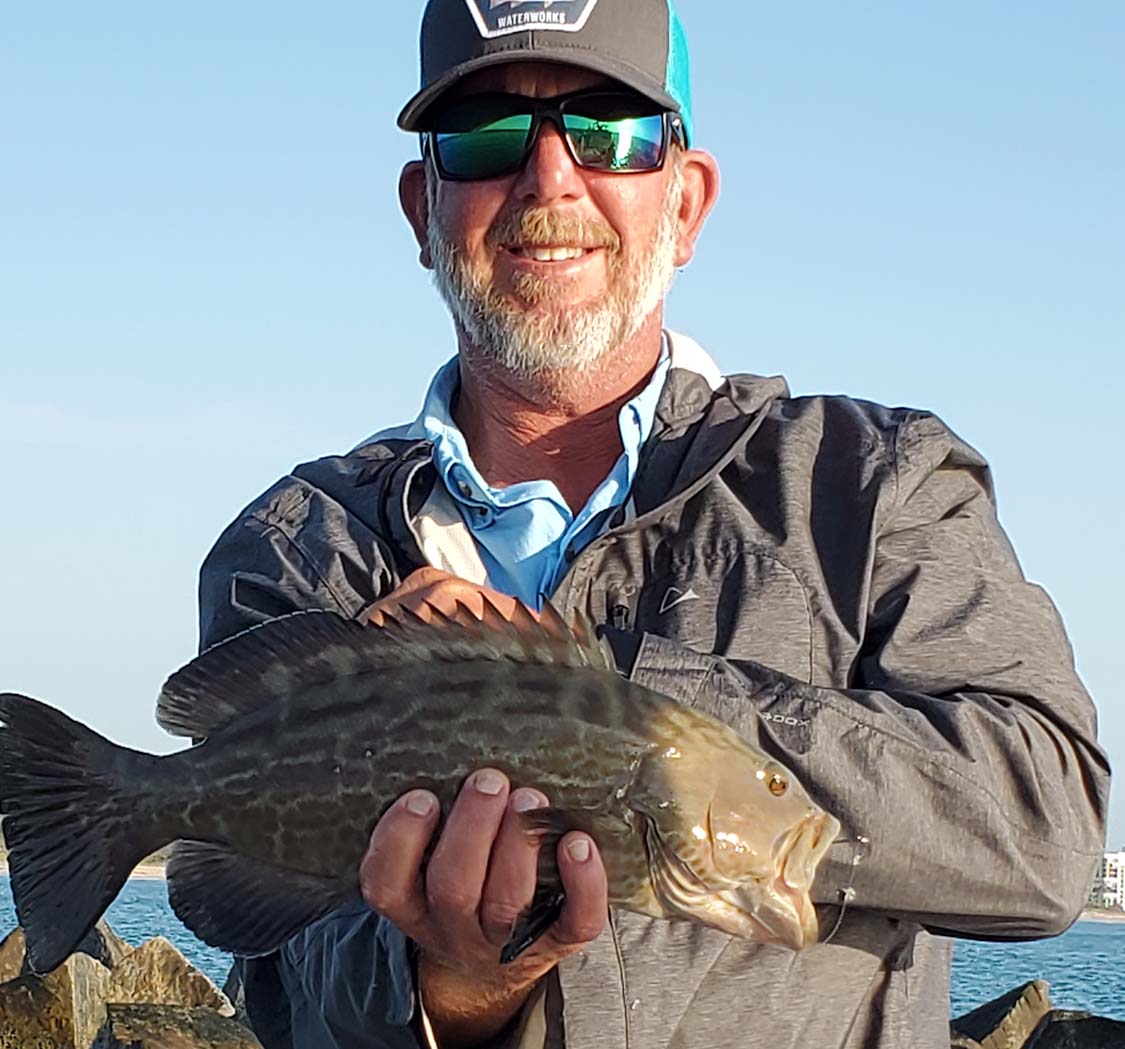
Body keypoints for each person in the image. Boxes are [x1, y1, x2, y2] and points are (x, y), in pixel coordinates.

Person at [197, 1, 1111, 1046]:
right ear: (423, 207)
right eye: (488, 135)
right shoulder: (300, 541)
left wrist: (600, 687)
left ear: (686, 203)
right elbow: (271, 963)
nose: (550, 180)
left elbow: (1045, 829)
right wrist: (448, 985)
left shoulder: (876, 485)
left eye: (612, 132)